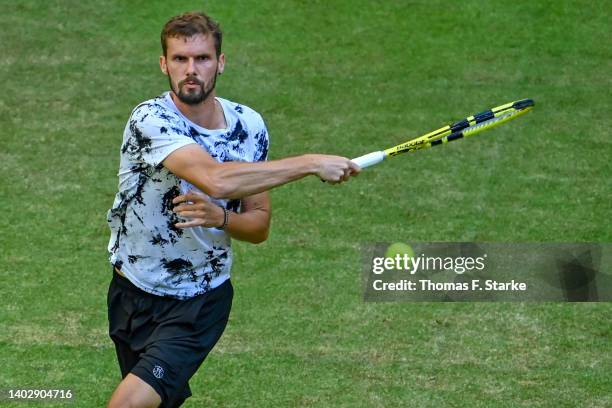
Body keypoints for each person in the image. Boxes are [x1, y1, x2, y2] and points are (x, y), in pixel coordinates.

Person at [106, 11, 359, 408]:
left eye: (203, 59)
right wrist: (311, 162)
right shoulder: (149, 119)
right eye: (180, 59)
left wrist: (221, 218)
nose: (192, 70)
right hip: (130, 290)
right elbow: (216, 180)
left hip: (198, 302)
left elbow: (258, 226)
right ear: (164, 64)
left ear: (220, 63)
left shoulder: (249, 126)